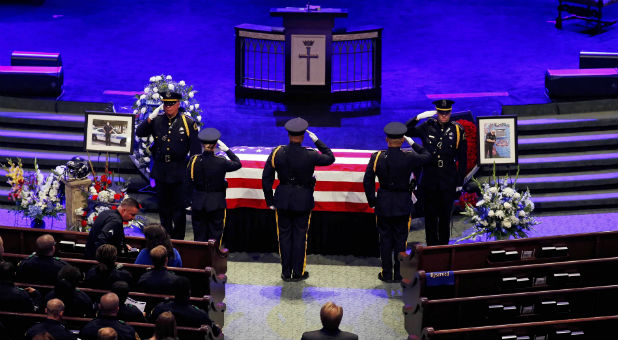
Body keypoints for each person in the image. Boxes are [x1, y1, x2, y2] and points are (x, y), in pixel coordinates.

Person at [262, 117, 335, 282]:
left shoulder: (277, 153)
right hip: (303, 200)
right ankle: (298, 272)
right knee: (300, 237)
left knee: (285, 237)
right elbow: (330, 158)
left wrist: (270, 200)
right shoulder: (310, 154)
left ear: (288, 134)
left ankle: (286, 272)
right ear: (303, 136)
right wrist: (317, 141)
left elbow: (266, 177)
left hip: (282, 200)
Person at [363, 122, 431, 282]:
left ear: (387, 139)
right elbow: (427, 156)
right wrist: (413, 143)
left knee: (385, 240)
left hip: (384, 204)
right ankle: (400, 274)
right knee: (401, 241)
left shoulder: (377, 157)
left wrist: (373, 201)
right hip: (402, 204)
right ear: (402, 140)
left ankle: (386, 274)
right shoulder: (410, 156)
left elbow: (368, 181)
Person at [135, 90, 202, 240]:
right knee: (164, 209)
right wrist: (150, 118)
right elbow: (140, 132)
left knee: (178, 210)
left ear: (178, 104)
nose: (168, 107)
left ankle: (178, 241)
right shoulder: (157, 120)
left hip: (179, 172)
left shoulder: (188, 122)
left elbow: (195, 151)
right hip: (161, 171)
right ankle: (165, 239)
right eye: (165, 104)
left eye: (171, 104)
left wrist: (192, 176)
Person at [406, 99, 467, 246]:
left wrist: (459, 183)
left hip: (448, 179)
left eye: (446, 113)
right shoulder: (427, 126)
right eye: (441, 113)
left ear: (450, 112)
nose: (444, 116)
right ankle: (431, 248)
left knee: (445, 217)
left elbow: (462, 158)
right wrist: (418, 117)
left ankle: (443, 249)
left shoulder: (457, 130)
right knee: (430, 217)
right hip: (429, 178)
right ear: (436, 112)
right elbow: (405, 130)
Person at [188, 128, 242, 243]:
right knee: (215, 236)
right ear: (215, 145)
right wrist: (228, 151)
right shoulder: (221, 161)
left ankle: (199, 260)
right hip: (216, 204)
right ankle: (213, 260)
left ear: (202, 144)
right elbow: (238, 164)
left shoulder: (194, 161)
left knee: (199, 236)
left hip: (198, 202)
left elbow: (187, 181)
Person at [150, 276, 219, 335]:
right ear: (189, 292)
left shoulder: (159, 309)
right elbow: (216, 332)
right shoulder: (200, 315)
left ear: (173, 291)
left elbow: (150, 323)